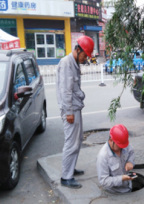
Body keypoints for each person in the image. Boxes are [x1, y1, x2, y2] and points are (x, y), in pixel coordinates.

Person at [56, 35, 94, 189]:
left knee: (77, 140)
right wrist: (69, 112)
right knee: (71, 143)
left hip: (76, 107)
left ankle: (71, 168)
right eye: (85, 55)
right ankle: (66, 176)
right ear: (78, 50)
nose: (85, 58)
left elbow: (74, 88)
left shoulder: (74, 63)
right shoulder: (66, 63)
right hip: (70, 109)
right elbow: (65, 91)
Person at [97, 124, 135, 193]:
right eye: (119, 146)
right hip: (115, 192)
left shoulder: (123, 144)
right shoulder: (103, 156)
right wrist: (121, 178)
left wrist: (130, 162)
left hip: (128, 186)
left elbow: (131, 151)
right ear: (111, 141)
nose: (122, 148)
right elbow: (104, 181)